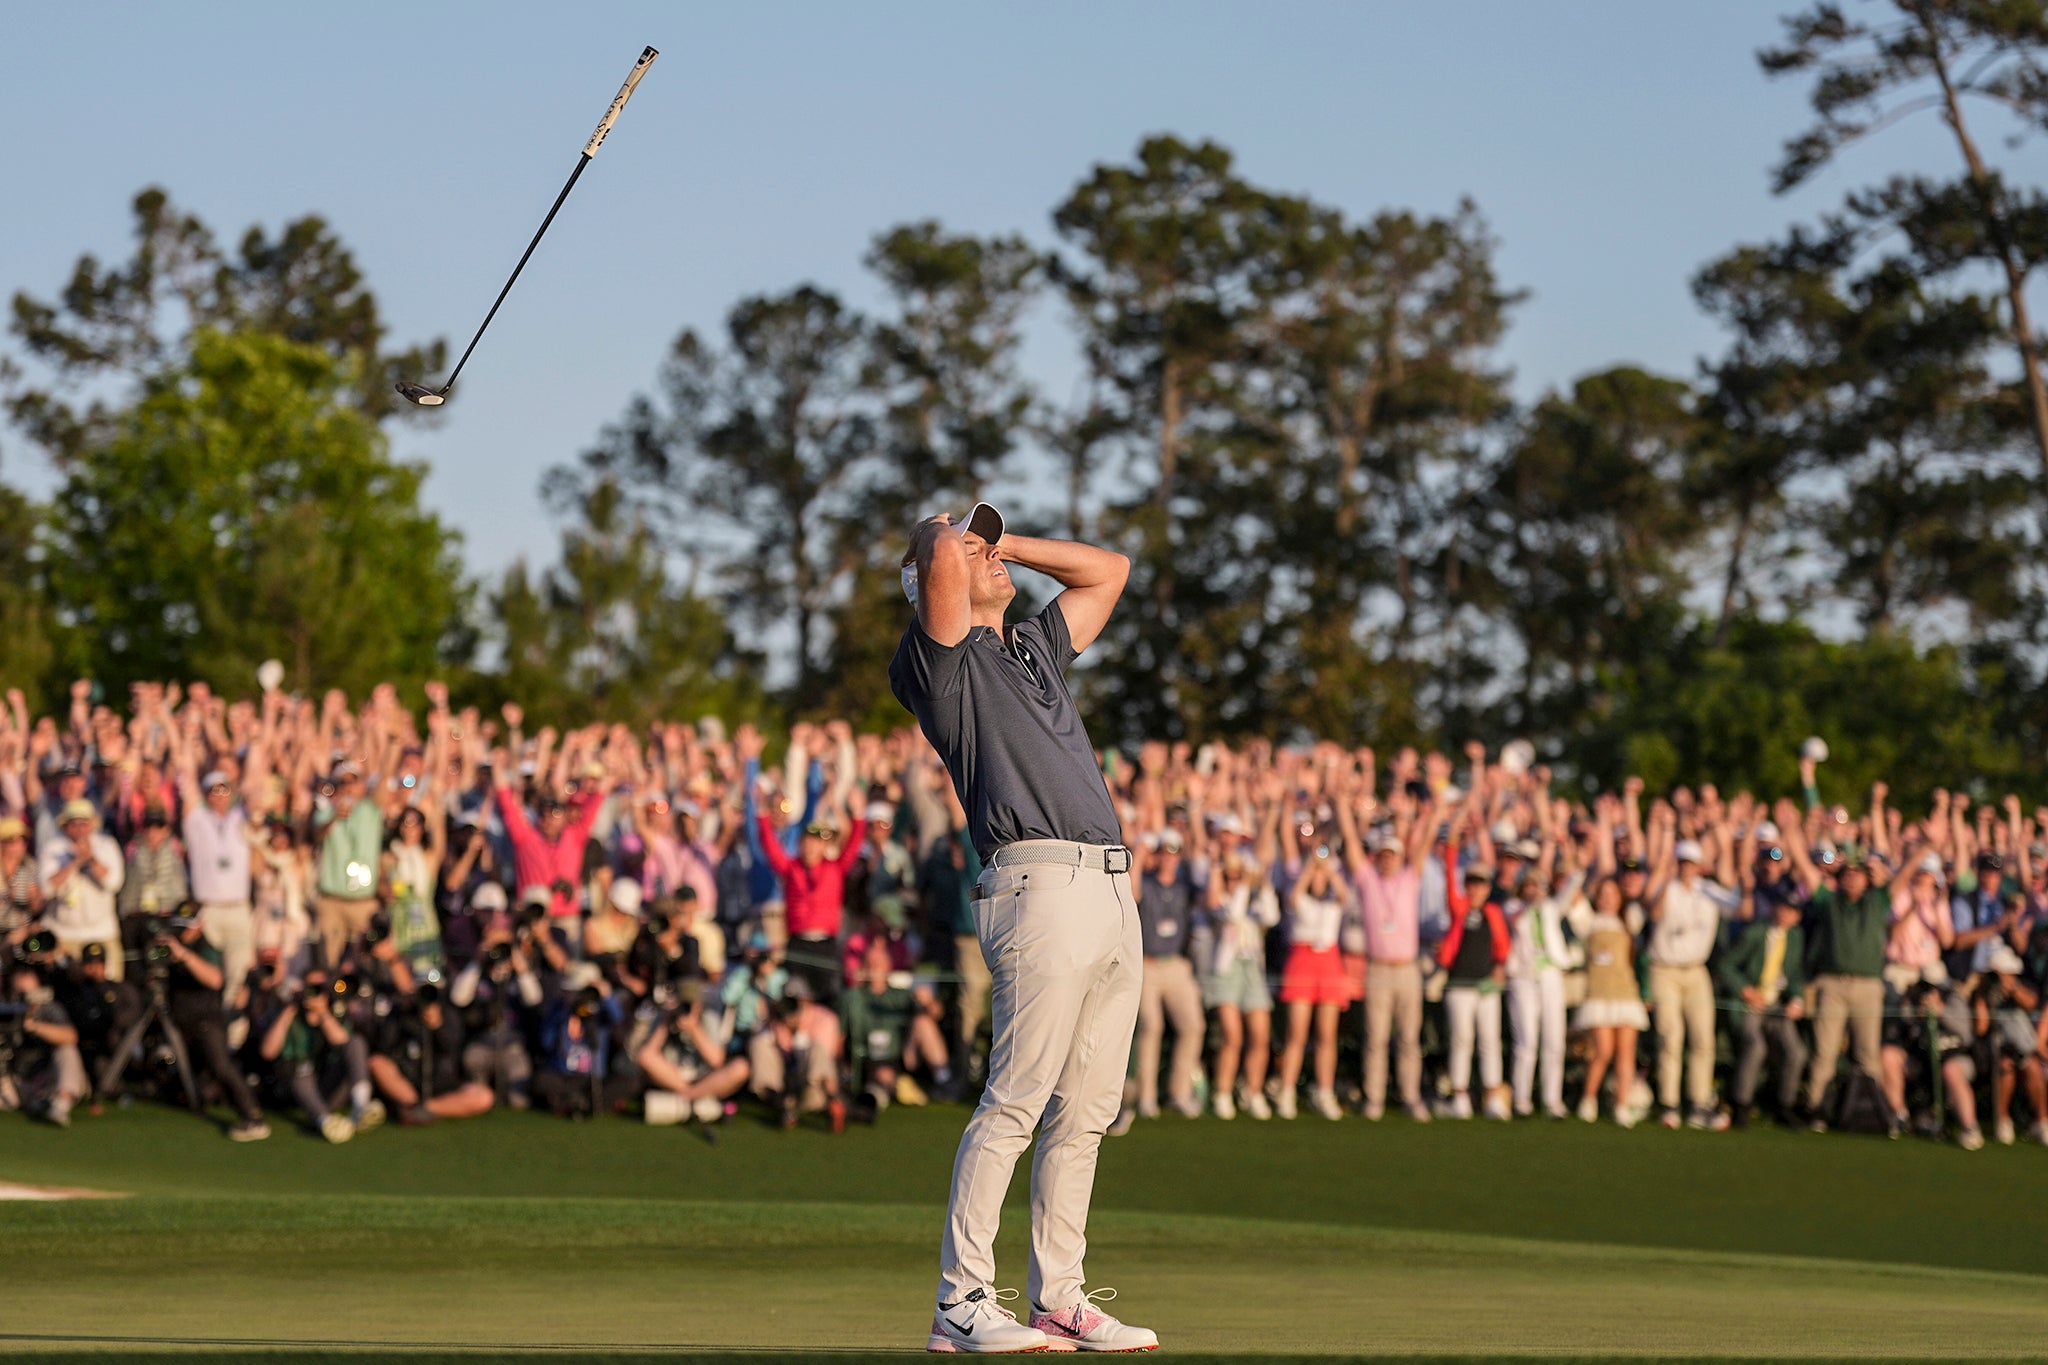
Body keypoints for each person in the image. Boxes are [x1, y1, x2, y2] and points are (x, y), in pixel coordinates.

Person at [890, 504, 1156, 1354]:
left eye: (990, 548)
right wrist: (946, 534)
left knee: (1087, 1111)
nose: (989, 558)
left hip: (1109, 886)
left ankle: (1060, 1298)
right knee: (1016, 1099)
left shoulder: (1032, 646)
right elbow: (937, 554)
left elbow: (1109, 570)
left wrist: (999, 542)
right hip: (1036, 883)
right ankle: (961, 1297)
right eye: (974, 553)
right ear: (933, 582)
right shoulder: (940, 661)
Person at [1786, 837, 1891, 1132]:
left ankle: (1872, 1110)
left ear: (1867, 880)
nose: (1852, 879)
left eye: (1858, 874)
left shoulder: (1877, 902)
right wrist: (1792, 835)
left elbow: (1903, 876)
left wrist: (1925, 846)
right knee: (1824, 1052)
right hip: (1831, 984)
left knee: (1867, 1054)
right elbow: (1808, 871)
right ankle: (1816, 1109)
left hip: (1868, 986)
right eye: (1847, 874)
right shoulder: (1829, 902)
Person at [1646, 837, 1737, 1130]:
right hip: (1665, 970)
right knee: (1670, 1036)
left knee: (1703, 1039)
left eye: (1691, 863)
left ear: (1699, 866)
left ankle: (1698, 1103)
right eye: (1683, 862)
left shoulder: (1708, 890)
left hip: (1696, 970)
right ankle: (1669, 1103)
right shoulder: (1667, 888)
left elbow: (1741, 909)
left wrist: (1734, 870)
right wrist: (1666, 877)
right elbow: (1655, 913)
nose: (1687, 868)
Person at [1273, 841, 1352, 1120]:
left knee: (1327, 1035)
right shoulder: (1300, 899)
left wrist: (1328, 869)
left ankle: (1325, 1091)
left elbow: (1345, 895)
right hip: (1302, 962)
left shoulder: (1333, 902)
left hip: (1328, 962)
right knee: (1297, 1034)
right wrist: (1309, 869)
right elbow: (1293, 897)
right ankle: (1286, 1091)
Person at [1718, 894, 1809, 1127]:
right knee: (1755, 1047)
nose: (1786, 914)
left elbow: (1795, 975)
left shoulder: (1795, 937)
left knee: (1796, 1052)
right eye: (1783, 908)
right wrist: (1745, 990)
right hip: (1750, 1004)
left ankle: (1784, 1105)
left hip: (1776, 1006)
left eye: (1792, 911)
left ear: (1797, 917)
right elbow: (1727, 965)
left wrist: (1797, 999)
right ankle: (1741, 1104)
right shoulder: (1756, 933)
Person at [1437, 858, 1510, 1120]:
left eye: (1481, 884)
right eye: (1471, 883)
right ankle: (1460, 1096)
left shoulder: (1493, 913)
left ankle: (1493, 1096)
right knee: (1462, 1039)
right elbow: (1449, 882)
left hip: (1485, 986)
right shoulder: (1460, 909)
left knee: (1490, 1040)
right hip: (1460, 985)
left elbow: (1502, 947)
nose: (1476, 889)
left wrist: (1499, 968)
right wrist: (1451, 849)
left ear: (1488, 888)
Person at [1574, 876, 1648, 1126]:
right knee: (1603, 1050)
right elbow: (1571, 896)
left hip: (1625, 994)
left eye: (1612, 894)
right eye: (1603, 894)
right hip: (1598, 995)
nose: (1607, 899)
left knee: (1626, 1053)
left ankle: (1621, 1104)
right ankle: (1588, 1099)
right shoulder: (1588, 921)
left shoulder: (1630, 920)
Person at [638, 976, 748, 1126]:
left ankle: (687, 1098)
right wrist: (665, 1022)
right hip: (674, 1076)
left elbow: (717, 1060)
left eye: (690, 1004)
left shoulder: (709, 1017)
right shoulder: (665, 1015)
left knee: (740, 1067)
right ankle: (701, 1103)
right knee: (644, 1056)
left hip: (705, 1078)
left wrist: (694, 1029)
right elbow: (648, 1053)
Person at [40, 799, 125, 978]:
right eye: (73, 823)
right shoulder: (53, 849)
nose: (79, 829)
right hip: (64, 935)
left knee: (109, 986)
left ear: (92, 824)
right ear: (65, 826)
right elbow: (46, 889)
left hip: (101, 933)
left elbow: (114, 883)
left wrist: (91, 859)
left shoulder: (106, 845)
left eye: (84, 823)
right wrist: (74, 863)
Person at [311, 765, 383, 965]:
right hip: (332, 901)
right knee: (328, 961)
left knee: (366, 960)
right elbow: (317, 835)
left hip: (363, 902)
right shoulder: (325, 812)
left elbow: (384, 779)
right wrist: (335, 816)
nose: (348, 787)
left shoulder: (371, 809)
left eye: (354, 781)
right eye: (343, 782)